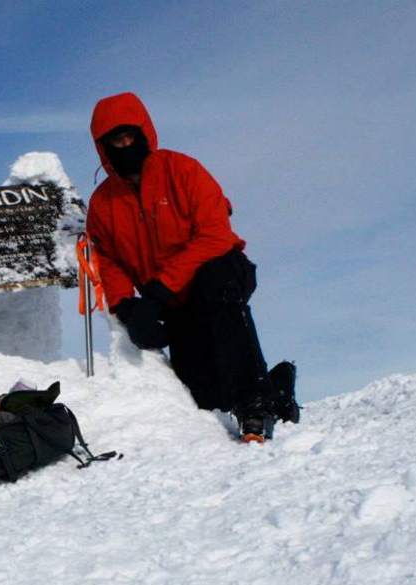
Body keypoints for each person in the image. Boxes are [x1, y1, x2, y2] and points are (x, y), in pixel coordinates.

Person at [85, 92, 299, 442]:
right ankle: (277, 385)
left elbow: (216, 234)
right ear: (102, 146)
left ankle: (255, 406)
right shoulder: (102, 204)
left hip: (218, 276)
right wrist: (127, 307)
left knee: (218, 283)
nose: (124, 145)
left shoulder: (182, 170)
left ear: (143, 132)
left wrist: (156, 291)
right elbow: (106, 259)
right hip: (173, 304)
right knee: (207, 400)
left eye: (129, 135)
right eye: (114, 140)